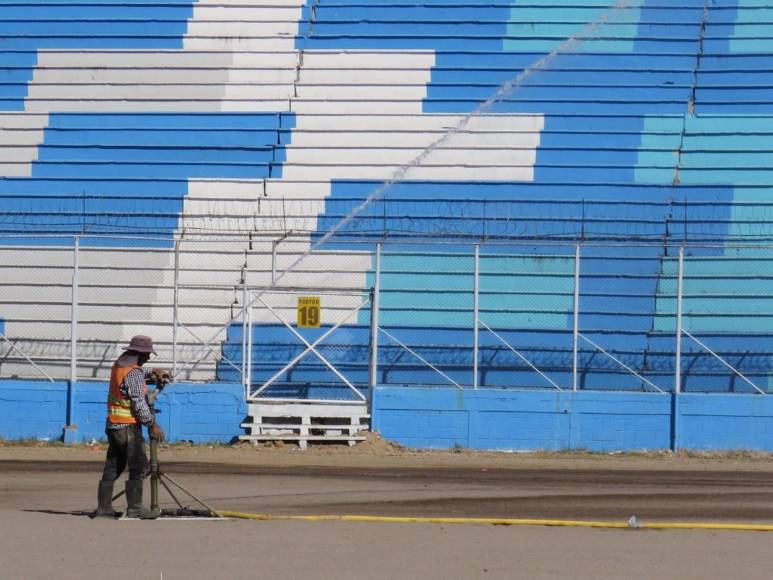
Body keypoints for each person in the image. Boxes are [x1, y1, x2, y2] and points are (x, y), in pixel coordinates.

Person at [93, 335, 166, 519]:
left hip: (113, 425)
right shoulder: (133, 373)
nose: (148, 358)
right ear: (140, 354)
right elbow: (138, 403)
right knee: (138, 465)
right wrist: (152, 423)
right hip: (128, 427)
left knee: (112, 467)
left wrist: (153, 372)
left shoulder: (119, 367)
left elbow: (136, 375)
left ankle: (104, 508)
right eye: (147, 355)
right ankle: (135, 507)